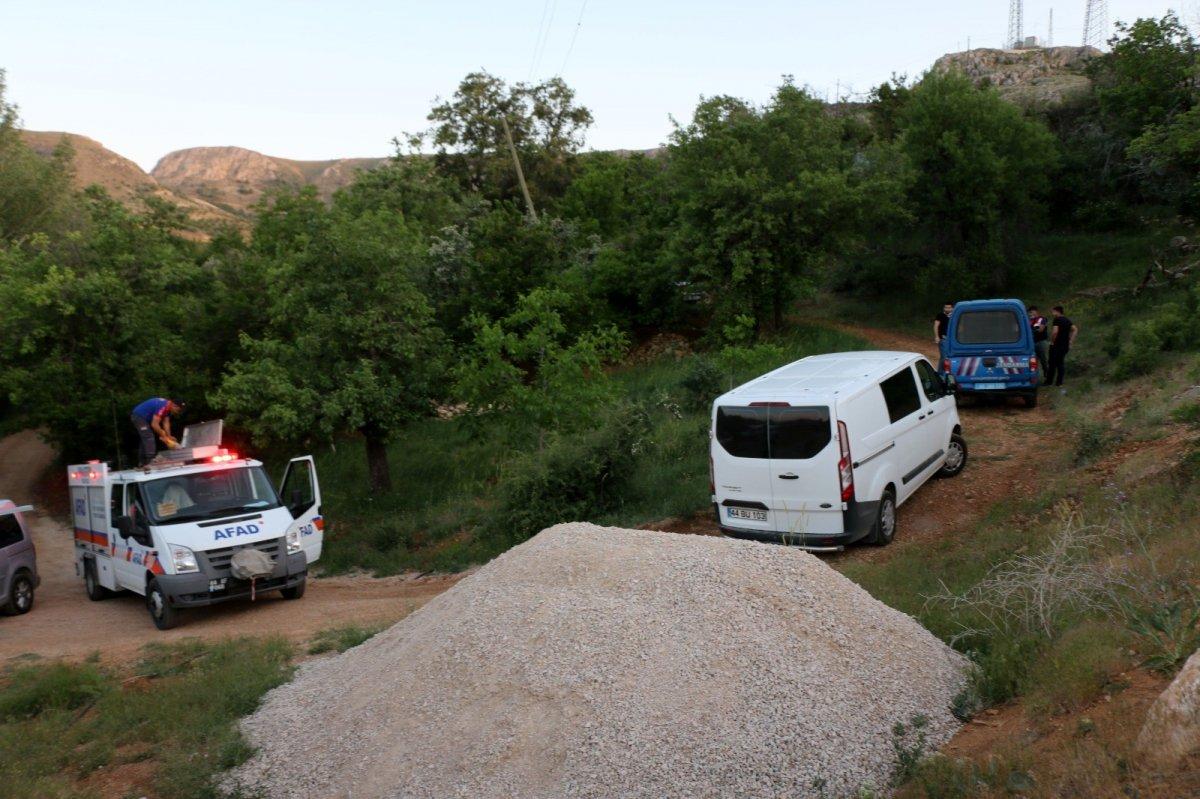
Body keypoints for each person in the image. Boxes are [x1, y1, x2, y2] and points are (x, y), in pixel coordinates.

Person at [130, 398, 184, 465]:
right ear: (174, 405)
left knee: (145, 438)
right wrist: (164, 437)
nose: (177, 412)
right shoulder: (162, 406)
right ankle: (150, 461)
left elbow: (166, 423)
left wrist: (169, 436)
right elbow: (154, 424)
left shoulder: (168, 407)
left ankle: (142, 463)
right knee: (149, 437)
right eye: (177, 410)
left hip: (143, 418)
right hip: (138, 416)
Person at [1045, 306, 1078, 391]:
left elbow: (1055, 332)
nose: (1052, 314)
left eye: (1053, 312)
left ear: (1057, 312)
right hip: (1065, 345)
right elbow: (1075, 329)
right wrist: (1071, 341)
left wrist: (1052, 341)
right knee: (1060, 363)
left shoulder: (1057, 320)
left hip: (1056, 345)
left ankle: (1049, 381)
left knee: (1052, 363)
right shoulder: (1067, 320)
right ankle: (1059, 382)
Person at [1028, 305, 1049, 380]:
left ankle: (1048, 376)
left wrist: (1031, 330)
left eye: (1031, 312)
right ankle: (1035, 378)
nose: (1030, 314)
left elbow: (1041, 329)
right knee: (1033, 361)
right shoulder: (1030, 321)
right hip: (1033, 343)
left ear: (1036, 311)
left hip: (1041, 342)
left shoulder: (1041, 319)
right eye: (1029, 313)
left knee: (1044, 360)